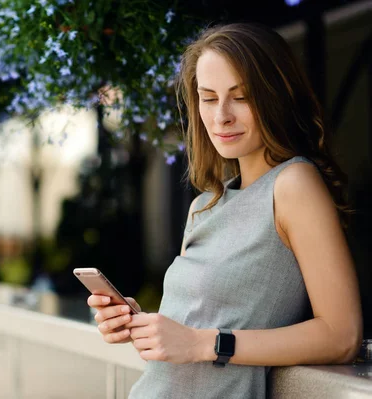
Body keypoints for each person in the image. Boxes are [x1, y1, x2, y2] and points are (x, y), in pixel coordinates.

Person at [87, 23, 363, 398]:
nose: (222, 116)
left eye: (242, 96)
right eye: (209, 98)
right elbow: (195, 331)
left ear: (275, 96)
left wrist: (206, 344)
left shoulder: (293, 184)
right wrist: (142, 324)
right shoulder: (204, 205)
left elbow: (341, 335)